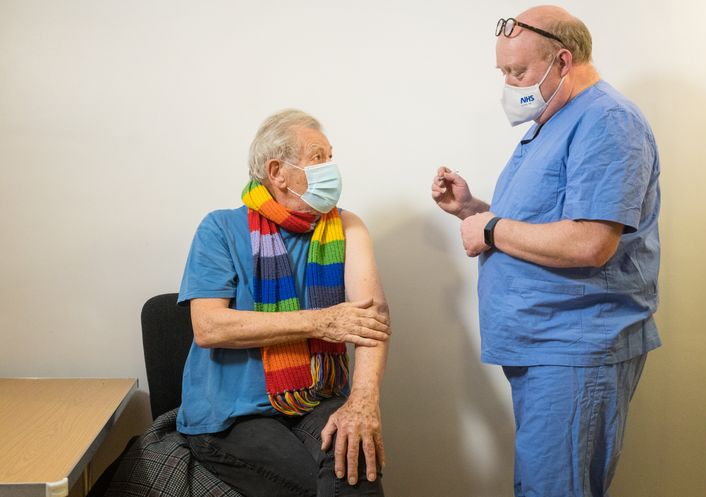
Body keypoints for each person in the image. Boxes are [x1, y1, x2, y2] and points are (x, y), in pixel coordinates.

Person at [432, 6, 660, 497]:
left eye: (518, 72)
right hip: (546, 345)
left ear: (562, 60)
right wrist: (473, 209)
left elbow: (590, 242)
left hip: (575, 348)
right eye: (504, 73)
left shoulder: (606, 121)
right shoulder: (555, 119)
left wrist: (489, 230)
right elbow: (547, 226)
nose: (510, 85)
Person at [177, 109, 390, 497]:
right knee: (314, 487)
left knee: (354, 464)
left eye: (330, 157)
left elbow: (371, 320)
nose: (331, 168)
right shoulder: (220, 228)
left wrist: (363, 402)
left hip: (314, 399)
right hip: (230, 416)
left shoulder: (346, 226)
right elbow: (209, 327)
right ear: (277, 171)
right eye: (318, 158)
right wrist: (318, 322)